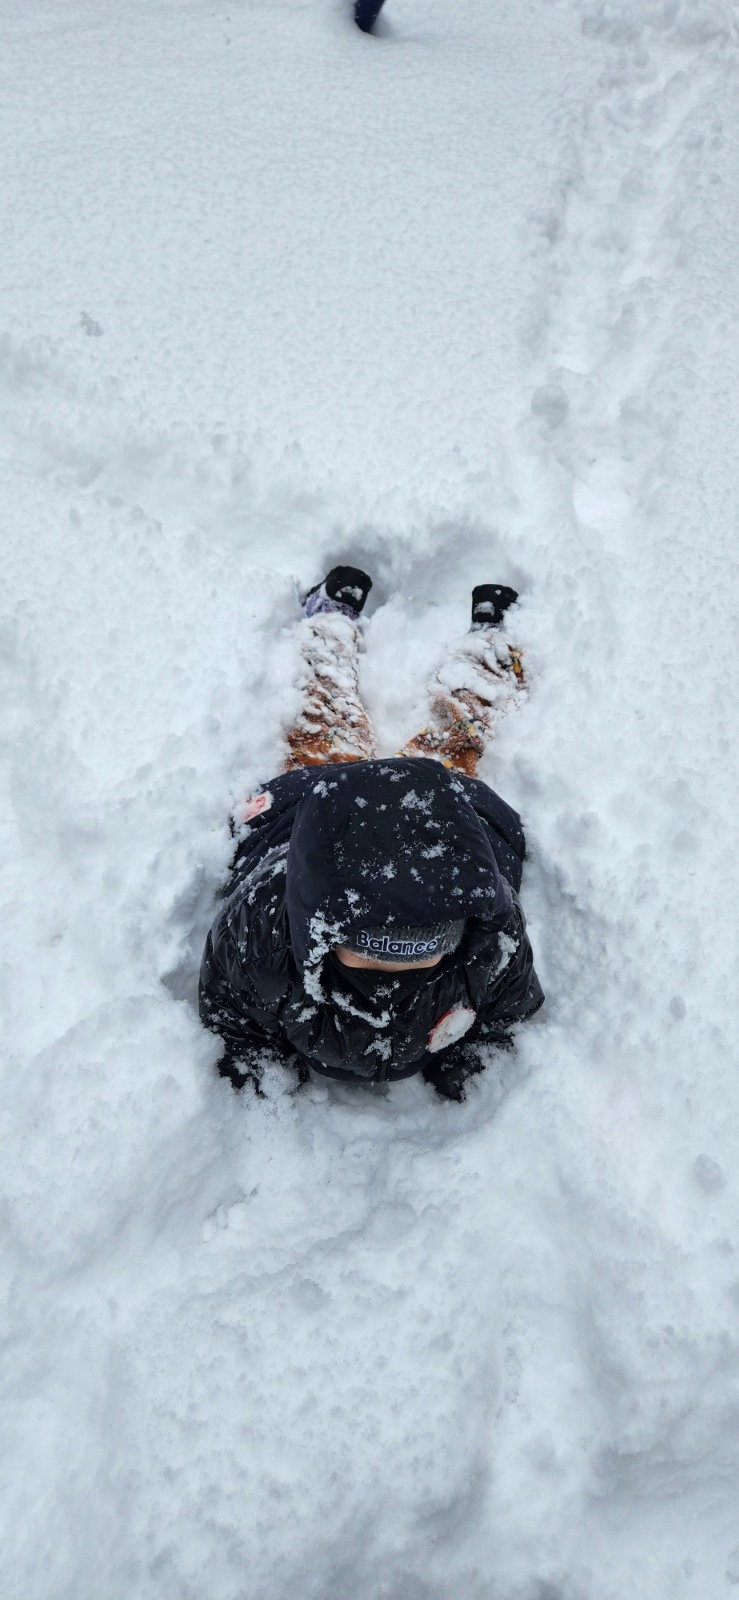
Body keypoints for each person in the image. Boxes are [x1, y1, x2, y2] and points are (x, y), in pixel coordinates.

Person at [199, 566, 543, 1101]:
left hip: (436, 816)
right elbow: (229, 1005)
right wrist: (257, 1059)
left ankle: (489, 648)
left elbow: (510, 1005)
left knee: (457, 734)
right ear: (319, 930)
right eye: (372, 951)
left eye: (418, 953)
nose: (392, 974)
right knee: (324, 721)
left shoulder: (488, 940)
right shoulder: (264, 933)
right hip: (316, 811)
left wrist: (477, 1054)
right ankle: (331, 627)